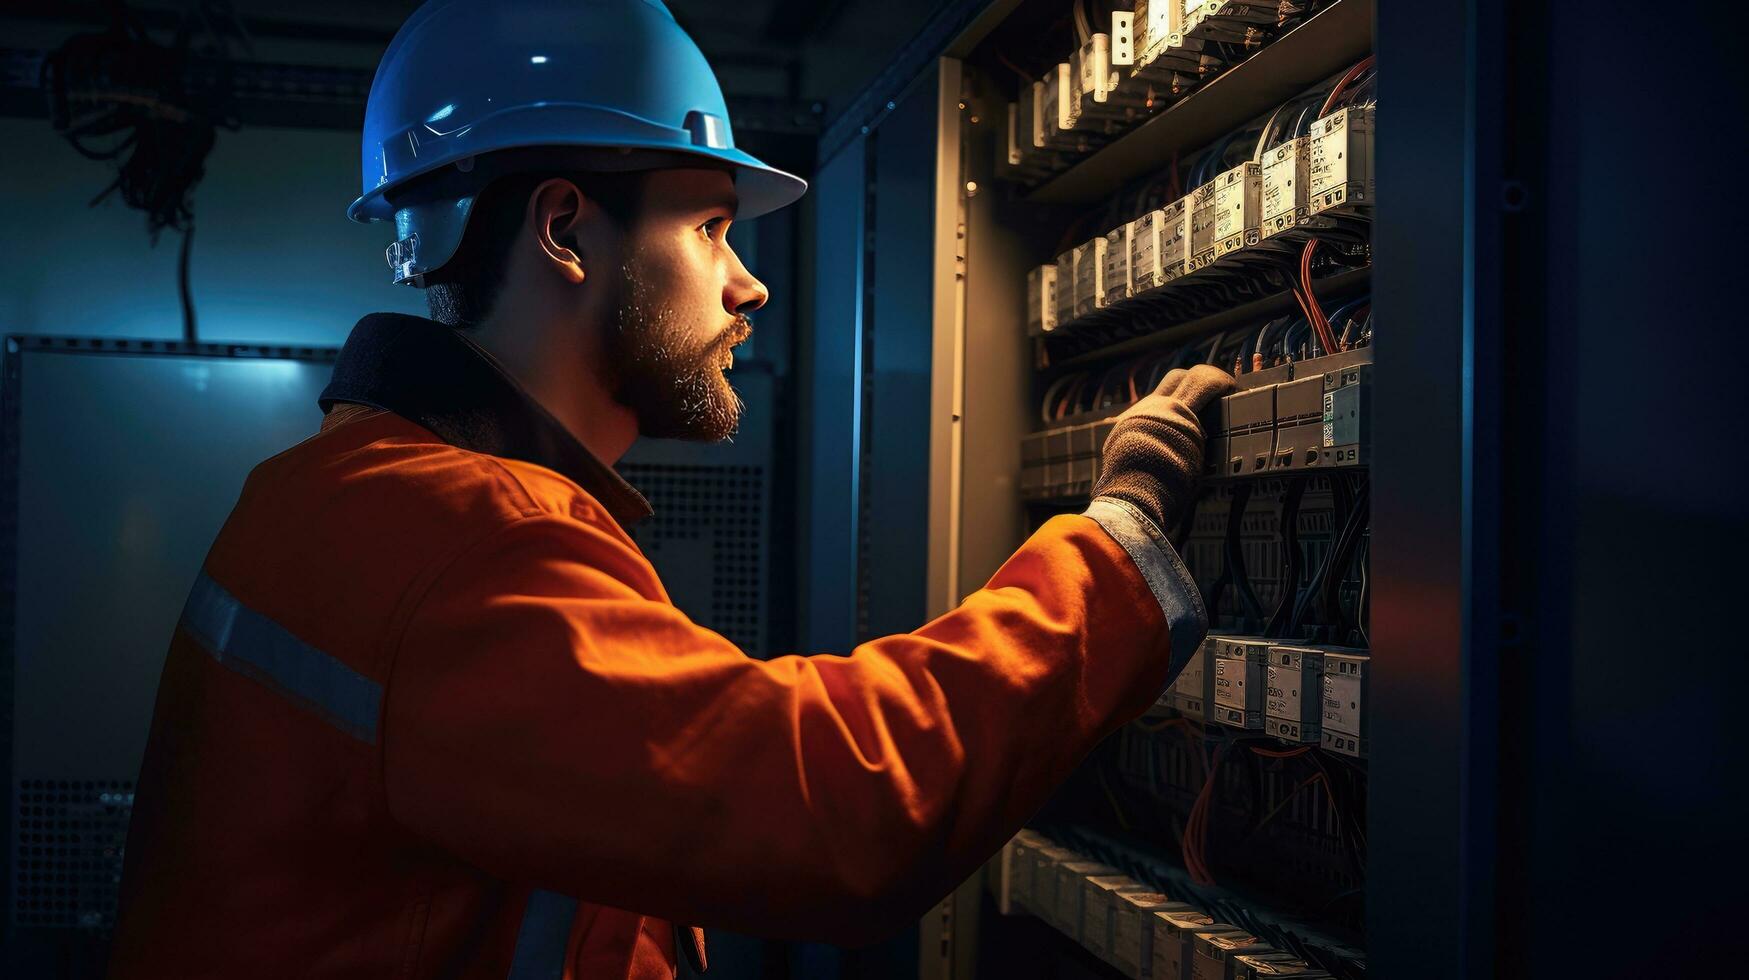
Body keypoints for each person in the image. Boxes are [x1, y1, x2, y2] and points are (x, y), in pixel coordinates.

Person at [105, 1, 1236, 977]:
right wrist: (1117, 542)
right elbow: (827, 807)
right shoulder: (460, 546)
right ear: (563, 229)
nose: (750, 287)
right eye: (708, 226)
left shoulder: (327, 492)